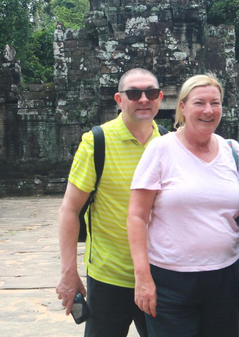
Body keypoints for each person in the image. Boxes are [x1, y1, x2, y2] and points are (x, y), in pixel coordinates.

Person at [128, 74, 239, 337]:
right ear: (182, 107)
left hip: (225, 276)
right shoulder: (161, 149)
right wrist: (142, 277)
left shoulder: (233, 150)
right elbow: (137, 217)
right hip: (170, 279)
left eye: (215, 103)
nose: (208, 110)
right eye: (199, 103)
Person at [56, 68, 164, 337]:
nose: (143, 99)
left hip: (158, 276)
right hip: (109, 276)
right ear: (119, 99)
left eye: (150, 93)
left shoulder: (167, 142)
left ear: (160, 98)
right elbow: (70, 210)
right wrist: (69, 272)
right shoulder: (97, 142)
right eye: (133, 93)